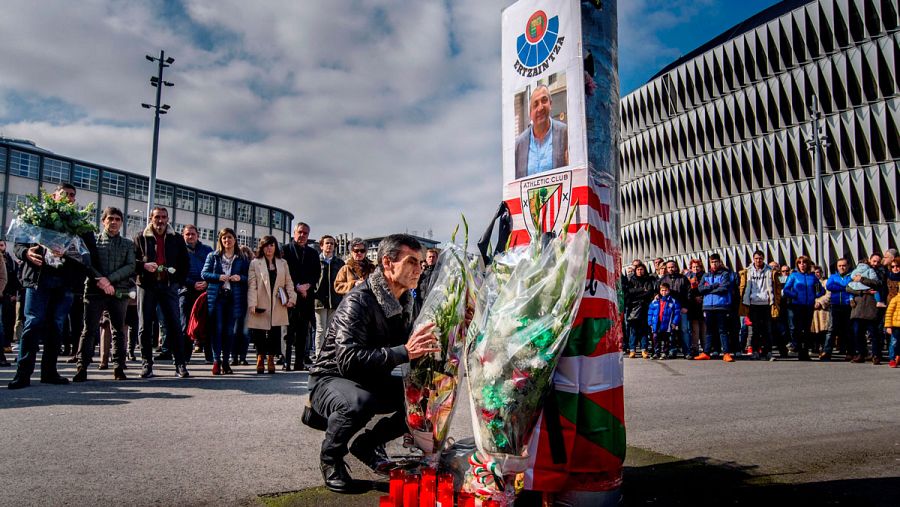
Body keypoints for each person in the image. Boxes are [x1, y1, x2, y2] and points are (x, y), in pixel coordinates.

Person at [308, 234, 439, 493]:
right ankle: (331, 458)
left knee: (420, 401)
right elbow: (348, 360)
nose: (419, 268)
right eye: (412, 261)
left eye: (421, 263)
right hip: (331, 377)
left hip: (371, 374)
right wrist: (404, 352)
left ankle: (367, 445)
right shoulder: (358, 301)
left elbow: (414, 348)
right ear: (387, 263)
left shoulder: (406, 301)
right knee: (359, 403)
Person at [9, 184, 89, 389]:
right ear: (54, 196)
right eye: (65, 194)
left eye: (72, 196)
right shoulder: (35, 217)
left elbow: (86, 256)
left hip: (64, 282)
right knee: (33, 324)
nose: (69, 198)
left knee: (57, 326)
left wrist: (69, 255)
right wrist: (27, 254)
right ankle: (23, 373)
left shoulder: (77, 224)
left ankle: (49, 371)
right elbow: (19, 246)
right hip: (38, 279)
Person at [73, 207, 135, 382]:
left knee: (118, 331)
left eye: (117, 219)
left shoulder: (128, 244)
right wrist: (100, 280)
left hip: (118, 291)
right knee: (89, 330)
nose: (114, 222)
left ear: (121, 222)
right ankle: (82, 367)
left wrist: (109, 280)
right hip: (94, 290)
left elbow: (130, 266)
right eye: (110, 218)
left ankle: (118, 367)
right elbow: (86, 263)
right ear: (103, 221)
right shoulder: (93, 242)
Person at [133, 206, 190, 379]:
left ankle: (180, 364)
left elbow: (184, 263)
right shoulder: (140, 237)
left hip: (168, 286)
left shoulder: (176, 238)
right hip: (146, 286)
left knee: (174, 325)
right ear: (151, 218)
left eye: (164, 217)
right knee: (145, 326)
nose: (161, 221)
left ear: (168, 219)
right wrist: (143, 266)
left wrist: (177, 282)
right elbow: (132, 261)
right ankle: (147, 364)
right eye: (157, 217)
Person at [201, 228, 249, 375]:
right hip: (217, 297)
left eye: (229, 237)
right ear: (220, 241)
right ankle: (216, 361)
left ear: (235, 239)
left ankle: (226, 362)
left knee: (229, 331)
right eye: (224, 238)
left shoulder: (241, 258)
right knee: (217, 329)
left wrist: (239, 278)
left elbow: (248, 277)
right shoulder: (213, 256)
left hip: (233, 297)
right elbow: (204, 273)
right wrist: (218, 277)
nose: (227, 240)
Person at [247, 236, 296, 374]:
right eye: (266, 245)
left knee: (275, 332)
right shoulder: (255, 263)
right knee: (259, 332)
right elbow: (252, 285)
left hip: (277, 301)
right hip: (260, 300)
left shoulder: (283, 263)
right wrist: (252, 303)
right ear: (262, 247)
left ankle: (270, 358)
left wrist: (292, 298)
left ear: (275, 247)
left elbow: (288, 282)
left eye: (272, 245)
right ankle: (260, 357)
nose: (269, 248)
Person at [282, 222, 321, 371]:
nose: (302, 235)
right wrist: (296, 286)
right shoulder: (285, 250)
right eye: (300, 232)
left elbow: (316, 273)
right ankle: (286, 361)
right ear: (294, 232)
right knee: (288, 331)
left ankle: (299, 362)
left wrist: (308, 286)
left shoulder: (312, 253)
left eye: (305, 233)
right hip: (290, 295)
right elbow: (284, 272)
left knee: (303, 331)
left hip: (306, 297)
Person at [514, 85, 568, 178]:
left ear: (550, 104)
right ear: (530, 113)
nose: (540, 108)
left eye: (544, 101)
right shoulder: (519, 144)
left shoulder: (564, 133)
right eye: (535, 104)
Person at [738, 251, 781, 360]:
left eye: (760, 258)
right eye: (756, 258)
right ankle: (756, 351)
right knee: (755, 330)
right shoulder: (747, 271)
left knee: (767, 329)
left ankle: (768, 352)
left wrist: (776, 302)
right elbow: (743, 288)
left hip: (766, 303)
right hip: (753, 303)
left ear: (763, 258)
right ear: (753, 259)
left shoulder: (770, 271)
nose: (758, 260)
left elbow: (777, 288)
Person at [782, 256, 826, 361]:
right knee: (798, 329)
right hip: (797, 305)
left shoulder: (812, 277)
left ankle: (805, 351)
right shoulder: (794, 276)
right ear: (797, 265)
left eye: (804, 262)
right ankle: (800, 350)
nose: (802, 264)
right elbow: (786, 289)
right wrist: (794, 295)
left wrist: (814, 296)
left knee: (807, 329)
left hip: (809, 305)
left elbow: (822, 290)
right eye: (800, 263)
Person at [696, 253, 736, 362]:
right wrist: (714, 286)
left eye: (716, 262)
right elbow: (700, 289)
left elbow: (724, 288)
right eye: (712, 262)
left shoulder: (724, 274)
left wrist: (708, 289)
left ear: (719, 262)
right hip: (708, 306)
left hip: (721, 305)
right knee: (709, 330)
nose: (714, 264)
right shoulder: (706, 275)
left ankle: (726, 353)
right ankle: (706, 352)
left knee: (722, 330)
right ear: (709, 263)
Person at [181, 225, 212, 362]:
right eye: (187, 234)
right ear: (183, 236)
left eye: (193, 234)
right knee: (185, 324)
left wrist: (207, 282)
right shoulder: (179, 251)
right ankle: (185, 357)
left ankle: (210, 357)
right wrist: (191, 283)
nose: (190, 237)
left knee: (207, 324)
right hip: (186, 291)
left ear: (198, 235)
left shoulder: (207, 251)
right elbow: (177, 272)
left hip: (206, 291)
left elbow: (214, 268)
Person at [314, 235, 344, 360]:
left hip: (335, 300)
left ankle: (329, 354)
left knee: (331, 330)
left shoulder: (339, 262)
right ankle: (318, 354)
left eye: (332, 243)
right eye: (327, 243)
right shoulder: (316, 260)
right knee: (321, 328)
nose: (329, 246)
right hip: (320, 299)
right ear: (321, 245)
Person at [659, 260, 691, 358]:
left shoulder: (683, 278)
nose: (670, 269)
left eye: (672, 267)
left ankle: (687, 352)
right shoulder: (664, 279)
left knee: (684, 330)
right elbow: (660, 292)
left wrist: (686, 307)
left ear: (676, 267)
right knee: (670, 331)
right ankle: (672, 351)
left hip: (681, 308)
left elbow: (689, 293)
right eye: (668, 267)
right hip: (668, 310)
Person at [823, 258, 853, 361]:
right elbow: (829, 286)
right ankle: (827, 352)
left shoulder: (851, 276)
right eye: (839, 266)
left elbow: (853, 287)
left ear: (848, 266)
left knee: (848, 330)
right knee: (831, 329)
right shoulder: (833, 276)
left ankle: (850, 352)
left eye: (844, 265)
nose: (842, 267)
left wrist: (841, 287)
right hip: (835, 305)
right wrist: (845, 287)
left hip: (847, 305)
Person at [624, 263, 655, 358]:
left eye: (641, 269)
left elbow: (649, 292)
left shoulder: (648, 280)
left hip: (645, 307)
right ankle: (632, 350)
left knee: (643, 330)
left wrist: (636, 292)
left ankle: (644, 350)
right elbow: (629, 292)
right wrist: (641, 290)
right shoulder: (631, 280)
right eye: (638, 270)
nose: (640, 271)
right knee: (633, 331)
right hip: (633, 308)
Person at [647, 282, 680, 359]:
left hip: (667, 324)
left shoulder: (673, 301)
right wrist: (650, 322)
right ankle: (656, 352)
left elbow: (677, 313)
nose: (663, 292)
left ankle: (665, 352)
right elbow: (650, 312)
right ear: (659, 291)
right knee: (655, 337)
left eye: (665, 290)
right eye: (662, 290)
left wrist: (674, 323)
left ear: (668, 291)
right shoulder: (655, 301)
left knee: (666, 338)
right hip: (657, 323)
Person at [685, 259, 706, 356]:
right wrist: (694, 298)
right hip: (693, 305)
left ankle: (706, 348)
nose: (696, 268)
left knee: (704, 328)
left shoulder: (705, 276)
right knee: (694, 329)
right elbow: (687, 291)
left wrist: (701, 297)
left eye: (697, 266)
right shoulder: (688, 277)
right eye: (693, 267)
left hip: (704, 304)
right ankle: (695, 348)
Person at [0, 240, 15, 367]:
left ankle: (1, 354)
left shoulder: (8, 260)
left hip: (3, 295)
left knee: (2, 324)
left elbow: (4, 277)